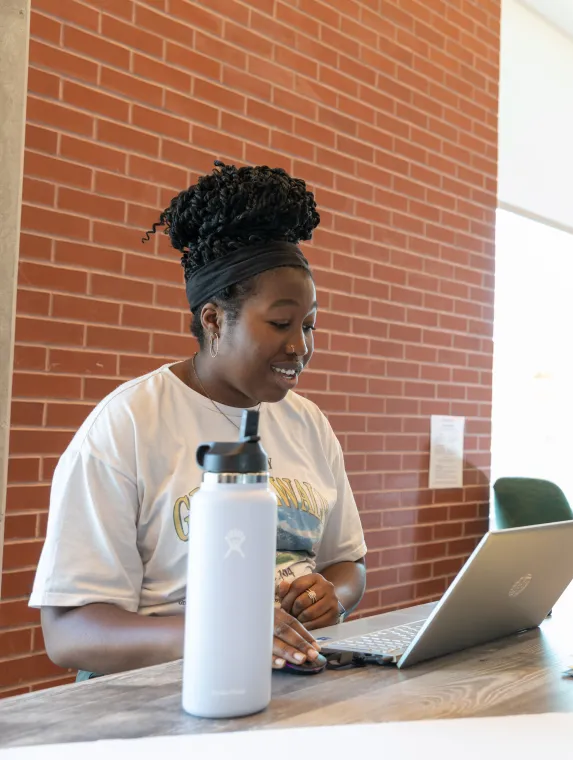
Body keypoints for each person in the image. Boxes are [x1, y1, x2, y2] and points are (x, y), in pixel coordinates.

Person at [29, 162, 368, 676]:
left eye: (310, 325)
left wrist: (334, 596)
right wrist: (222, 630)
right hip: (167, 701)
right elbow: (70, 632)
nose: (300, 347)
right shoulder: (128, 425)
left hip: (296, 686)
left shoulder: (310, 425)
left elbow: (349, 564)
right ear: (213, 319)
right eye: (280, 324)